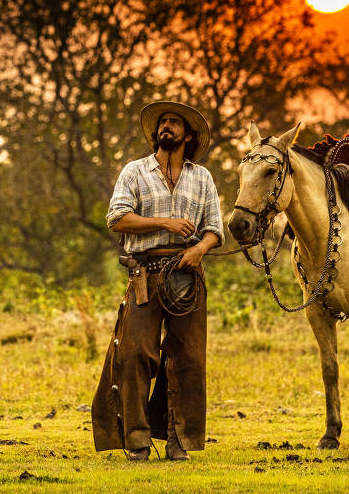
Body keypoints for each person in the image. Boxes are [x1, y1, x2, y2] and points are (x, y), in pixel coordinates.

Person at [91, 101, 224, 461]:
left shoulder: (203, 177)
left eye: (174, 122)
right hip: (144, 274)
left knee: (189, 358)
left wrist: (200, 250)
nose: (166, 126)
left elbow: (215, 229)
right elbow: (116, 219)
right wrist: (164, 223)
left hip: (188, 276)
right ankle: (136, 440)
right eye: (163, 122)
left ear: (188, 135)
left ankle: (178, 439)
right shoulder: (135, 171)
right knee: (135, 354)